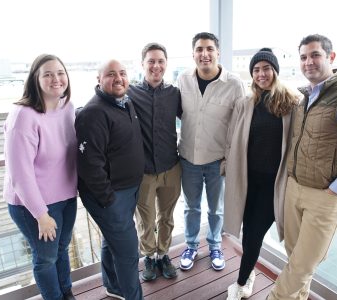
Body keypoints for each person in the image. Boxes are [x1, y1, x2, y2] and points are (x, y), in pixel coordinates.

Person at [268, 34, 337, 300]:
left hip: (325, 196)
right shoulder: (304, 96)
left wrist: (336, 189)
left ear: (331, 57)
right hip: (295, 189)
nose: (309, 62)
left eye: (315, 55)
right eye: (304, 57)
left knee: (302, 264)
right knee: (295, 256)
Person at [223, 48, 299, 300]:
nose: (261, 74)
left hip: (273, 184)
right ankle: (250, 272)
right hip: (248, 182)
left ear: (275, 71)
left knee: (254, 232)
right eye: (256, 70)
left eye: (266, 68)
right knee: (248, 231)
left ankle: (242, 281)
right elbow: (232, 138)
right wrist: (226, 165)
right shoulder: (246, 103)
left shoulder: (291, 102)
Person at [3, 54, 77, 300]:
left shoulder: (67, 106)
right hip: (34, 205)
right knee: (46, 258)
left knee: (62, 250)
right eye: (47, 74)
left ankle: (67, 293)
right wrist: (41, 214)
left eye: (60, 72)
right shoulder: (23, 116)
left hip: (66, 196)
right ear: (35, 79)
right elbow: (19, 175)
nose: (56, 79)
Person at [75, 59, 144, 300]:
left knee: (111, 240)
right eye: (111, 74)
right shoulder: (93, 113)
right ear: (99, 79)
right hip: (111, 195)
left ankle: (112, 285)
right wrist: (108, 199)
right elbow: (89, 164)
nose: (118, 78)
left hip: (129, 189)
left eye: (123, 73)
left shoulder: (126, 102)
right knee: (127, 253)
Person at [177, 32, 245, 271]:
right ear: (193, 53)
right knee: (191, 207)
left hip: (218, 160)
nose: (204, 54)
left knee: (216, 209)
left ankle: (215, 245)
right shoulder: (182, 79)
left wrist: (232, 158)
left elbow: (239, 124)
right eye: (199, 49)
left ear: (218, 52)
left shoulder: (234, 84)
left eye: (209, 49)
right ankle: (191, 246)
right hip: (187, 158)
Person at [128, 43, 182, 281]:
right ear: (142, 64)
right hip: (144, 171)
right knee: (146, 220)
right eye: (151, 61)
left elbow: (196, 117)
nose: (156, 66)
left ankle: (163, 254)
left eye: (160, 61)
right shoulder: (130, 93)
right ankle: (149, 256)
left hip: (172, 167)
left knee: (167, 217)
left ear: (166, 64)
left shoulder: (175, 93)